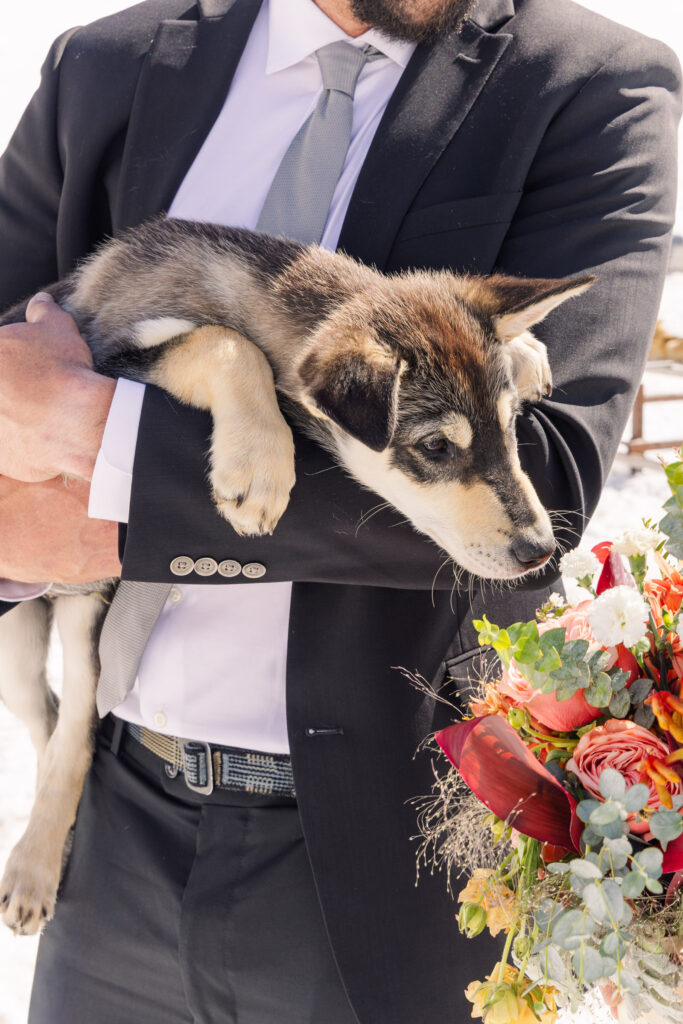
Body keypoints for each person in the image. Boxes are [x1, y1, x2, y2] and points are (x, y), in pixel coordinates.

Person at [0, 0, 679, 1020]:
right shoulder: (106, 63)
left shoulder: (591, 84)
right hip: (109, 840)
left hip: (377, 866)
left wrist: (106, 477)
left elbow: (548, 475)